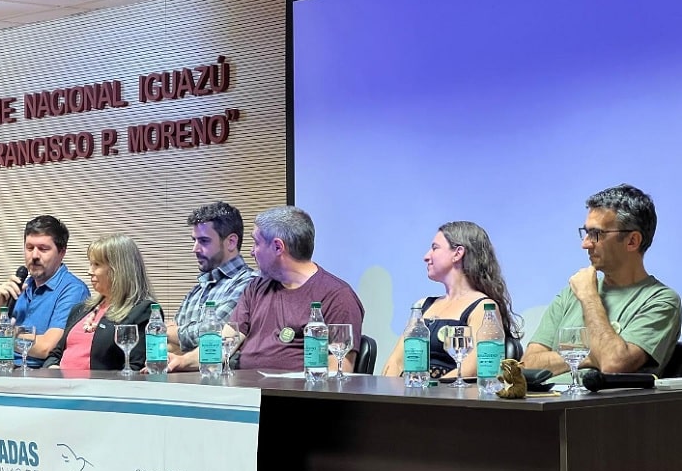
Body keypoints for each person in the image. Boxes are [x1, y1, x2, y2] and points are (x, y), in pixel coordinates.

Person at [168, 205, 364, 373]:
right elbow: (224, 343)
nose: (252, 251)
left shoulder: (337, 296)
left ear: (278, 247)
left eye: (256, 243)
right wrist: (182, 361)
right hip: (247, 396)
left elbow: (338, 371)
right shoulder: (256, 288)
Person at [521, 184, 681, 375]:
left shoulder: (660, 301)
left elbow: (612, 363)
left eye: (596, 234)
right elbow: (528, 364)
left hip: (599, 405)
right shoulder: (569, 294)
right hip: (548, 403)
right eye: (586, 232)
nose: (585, 244)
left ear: (632, 241)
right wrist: (589, 356)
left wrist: (590, 297)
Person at [381, 221, 521, 379]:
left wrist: (427, 393)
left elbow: (470, 371)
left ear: (458, 253)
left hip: (451, 399)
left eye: (435, 248)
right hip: (412, 395)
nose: (426, 257)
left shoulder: (484, 308)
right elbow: (396, 362)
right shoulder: (422, 306)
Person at [0, 215, 89, 368]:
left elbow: (46, 348)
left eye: (43, 249)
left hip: (40, 378)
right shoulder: (20, 287)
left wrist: (4, 335)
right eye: (29, 248)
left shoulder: (73, 290)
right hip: (4, 372)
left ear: (62, 252)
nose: (34, 256)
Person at [43, 234, 158, 371]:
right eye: (90, 264)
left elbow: (133, 367)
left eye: (97, 265)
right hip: (61, 387)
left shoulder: (143, 310)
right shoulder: (81, 309)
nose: (89, 271)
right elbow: (55, 355)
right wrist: (53, 369)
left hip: (100, 388)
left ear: (118, 269)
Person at [167, 201, 257, 354]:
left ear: (231, 242)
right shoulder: (198, 289)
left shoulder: (249, 283)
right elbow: (168, 346)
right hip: (183, 377)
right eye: (193, 240)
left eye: (203, 241)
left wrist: (170, 333)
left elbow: (220, 336)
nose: (194, 249)